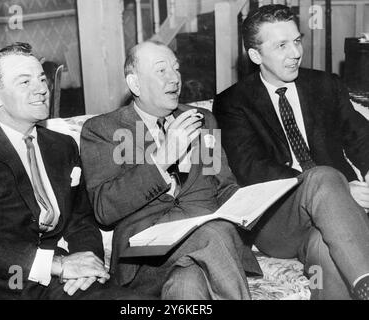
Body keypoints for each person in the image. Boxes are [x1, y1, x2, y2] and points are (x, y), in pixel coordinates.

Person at [80, 40, 262, 300]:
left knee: (187, 286)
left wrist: (251, 203)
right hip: (145, 254)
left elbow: (224, 186)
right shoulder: (102, 130)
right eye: (161, 70)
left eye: (176, 69)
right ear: (135, 84)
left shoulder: (203, 120)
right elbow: (104, 208)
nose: (174, 78)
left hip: (202, 250)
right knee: (212, 233)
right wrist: (161, 159)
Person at [0, 42, 144, 300]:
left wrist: (86, 265)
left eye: (41, 78)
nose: (41, 89)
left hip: (60, 282)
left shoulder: (62, 146)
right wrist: (57, 265)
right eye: (25, 82)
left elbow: (81, 221)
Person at [213, 4, 369, 299]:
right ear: (256, 55)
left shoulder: (325, 85)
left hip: (339, 218)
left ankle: (361, 282)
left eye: (297, 41)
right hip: (279, 219)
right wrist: (338, 188)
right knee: (324, 177)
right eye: (281, 45)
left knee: (328, 254)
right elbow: (252, 167)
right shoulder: (233, 103)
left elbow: (361, 136)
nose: (295, 53)